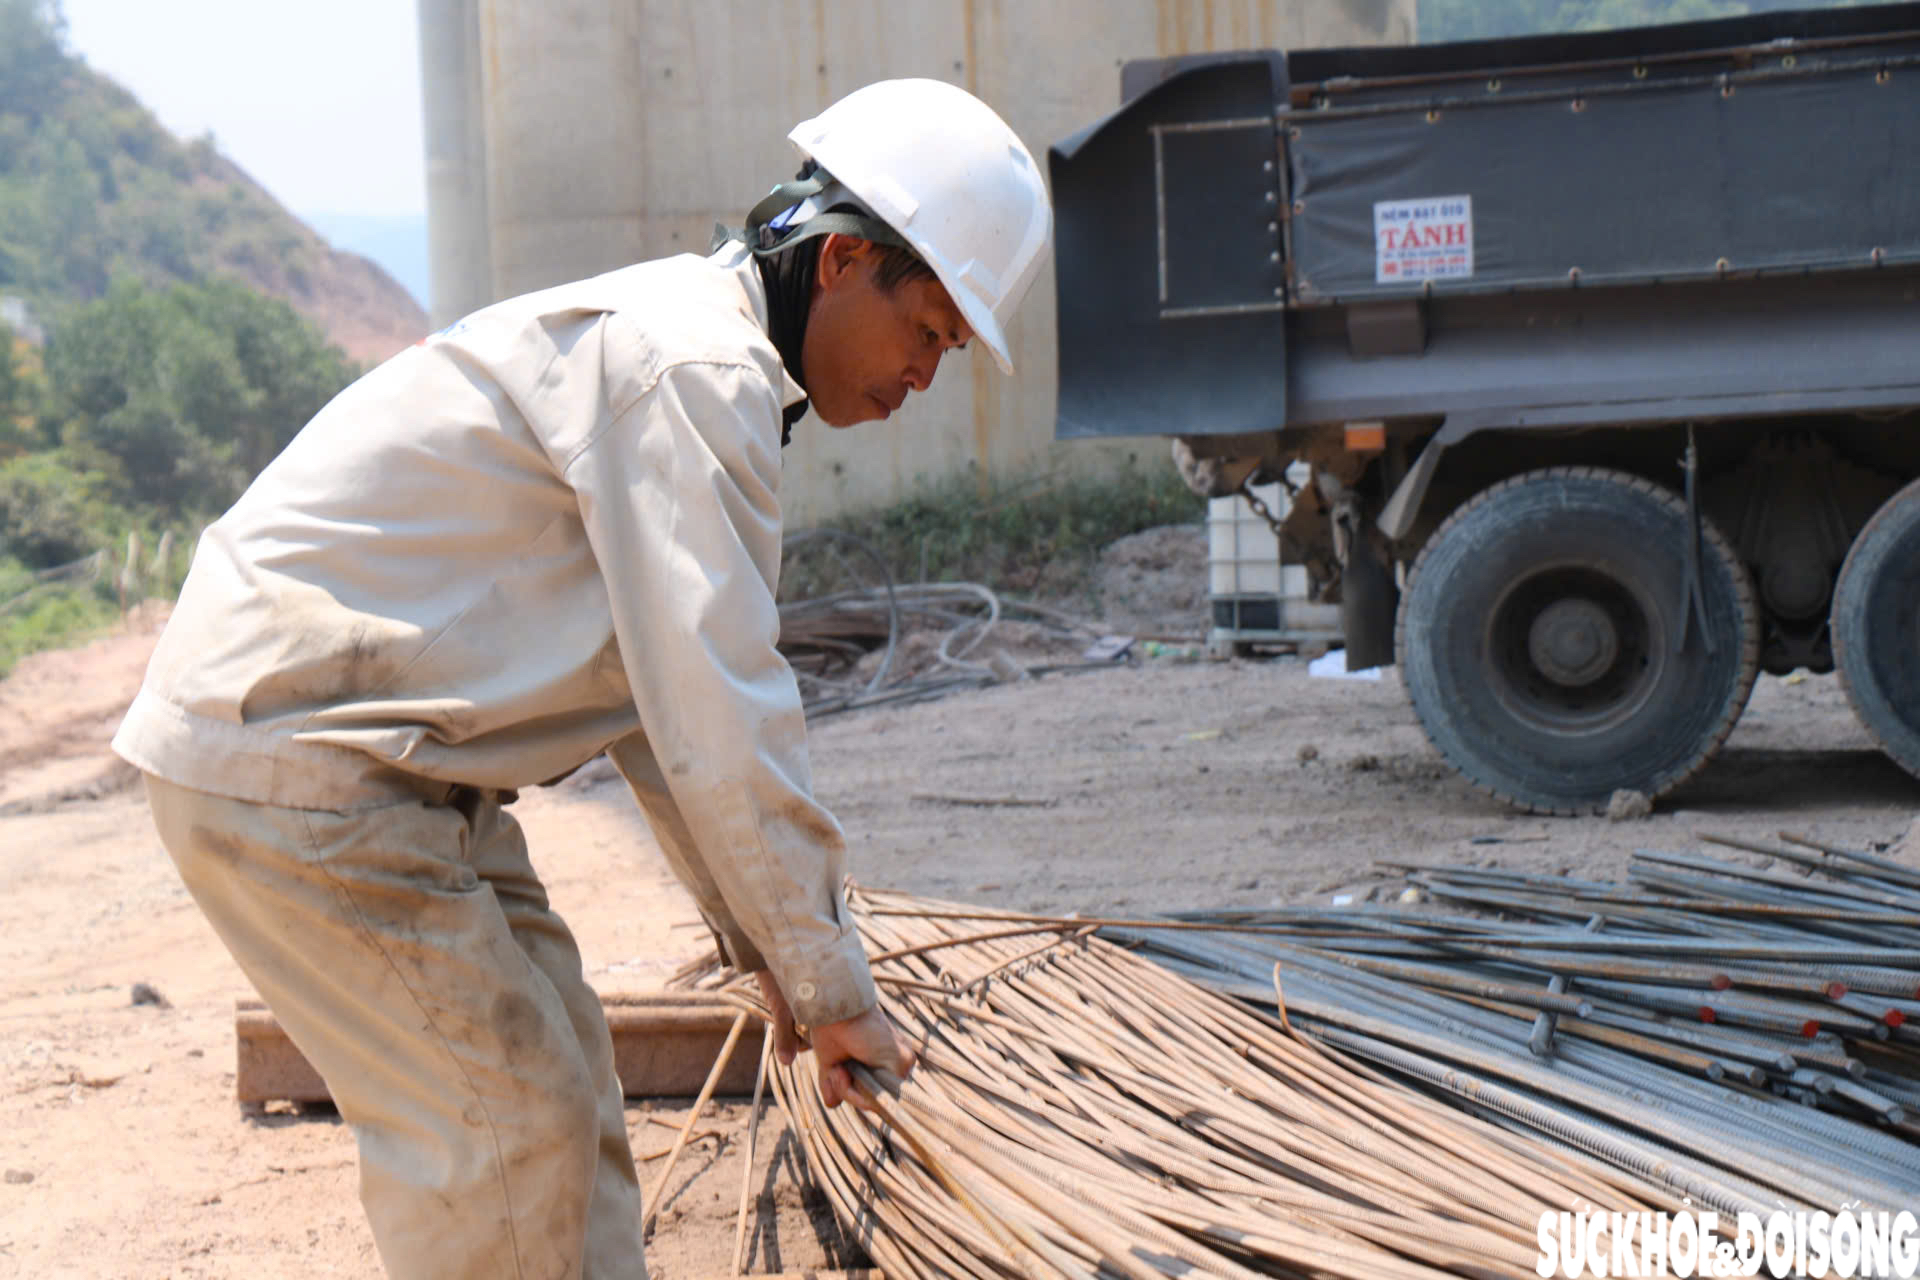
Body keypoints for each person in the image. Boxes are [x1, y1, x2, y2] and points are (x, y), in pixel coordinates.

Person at [111, 78, 1052, 1279]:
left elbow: (661, 723)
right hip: (302, 757)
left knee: (562, 1069)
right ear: (844, 262)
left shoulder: (698, 367)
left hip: (383, 767)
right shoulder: (692, 371)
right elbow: (718, 712)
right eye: (928, 330)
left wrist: (783, 959)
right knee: (504, 1128)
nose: (928, 372)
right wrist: (826, 978)